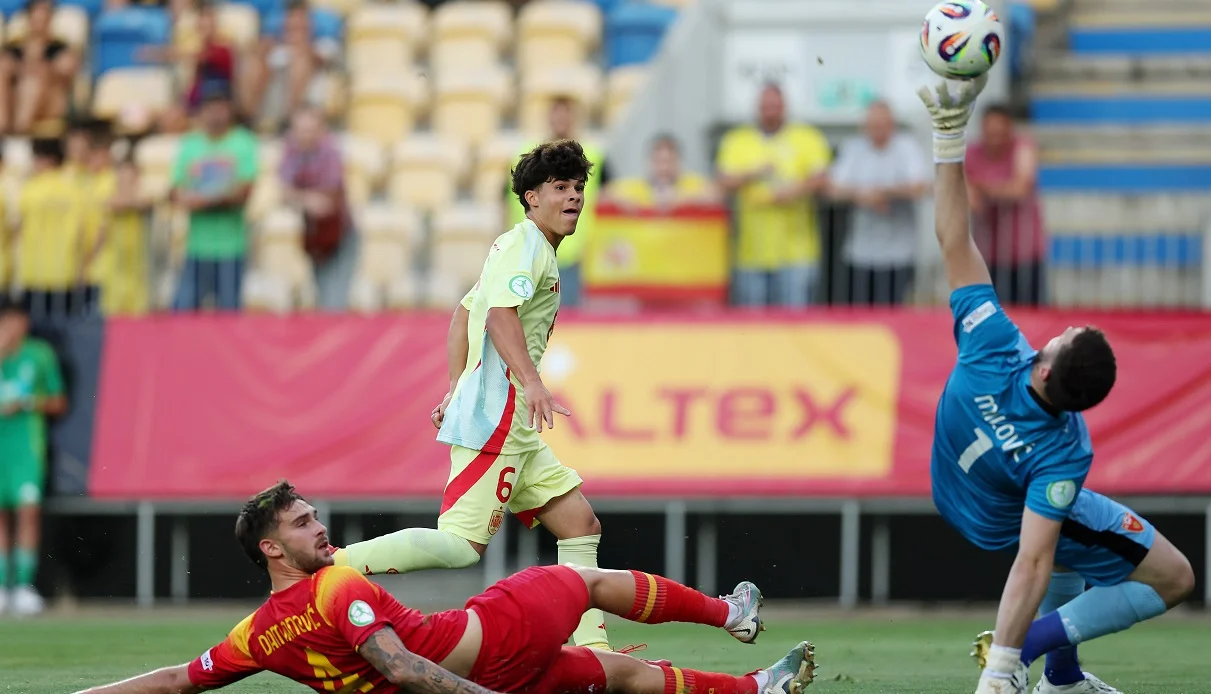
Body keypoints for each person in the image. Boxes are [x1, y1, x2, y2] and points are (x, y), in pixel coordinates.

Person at [916, 76, 1195, 694]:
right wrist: (1004, 661)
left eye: (1068, 336)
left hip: (955, 492)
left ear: (1046, 367)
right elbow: (1032, 557)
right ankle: (1027, 651)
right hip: (1003, 512)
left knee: (1064, 540)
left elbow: (954, 238)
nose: (1065, 327)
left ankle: (1061, 681)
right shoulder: (1066, 446)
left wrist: (947, 139)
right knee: (1175, 577)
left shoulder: (991, 342)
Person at [73, 481, 816, 694]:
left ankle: (757, 689)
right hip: (493, 640)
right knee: (581, 578)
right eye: (303, 524)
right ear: (272, 548)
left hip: (485, 671)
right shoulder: (335, 589)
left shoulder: (257, 635)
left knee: (616, 675)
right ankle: (729, 613)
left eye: (315, 516)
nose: (321, 529)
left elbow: (177, 680)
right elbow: (399, 665)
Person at [329, 140, 613, 651]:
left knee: (579, 524)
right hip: (500, 417)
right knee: (461, 546)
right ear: (531, 197)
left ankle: (594, 652)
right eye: (560, 187)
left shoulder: (517, 245)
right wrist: (530, 382)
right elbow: (499, 316)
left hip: (511, 422)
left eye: (578, 187)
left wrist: (456, 386)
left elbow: (464, 313)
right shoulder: (528, 247)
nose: (574, 197)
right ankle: (330, 567)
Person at [715, 83, 832, 308]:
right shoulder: (737, 140)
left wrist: (792, 191)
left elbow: (822, 178)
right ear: (757, 108)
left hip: (796, 253)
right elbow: (723, 180)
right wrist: (754, 173)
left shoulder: (807, 138)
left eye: (775, 106)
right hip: (751, 252)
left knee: (794, 322)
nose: (770, 111)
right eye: (765, 106)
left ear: (784, 107)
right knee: (754, 323)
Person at [827, 101, 930, 306]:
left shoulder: (907, 147)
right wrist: (862, 195)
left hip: (899, 253)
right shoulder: (853, 148)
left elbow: (920, 186)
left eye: (883, 124)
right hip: (861, 251)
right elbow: (833, 189)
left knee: (895, 311)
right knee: (861, 313)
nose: (878, 129)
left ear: (892, 124)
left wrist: (883, 194)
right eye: (873, 124)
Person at [0, 297, 66, 615]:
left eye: (17, 319)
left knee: (27, 513)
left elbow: (58, 401)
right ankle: (2, 586)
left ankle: (24, 586)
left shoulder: (39, 354)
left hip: (26, 447)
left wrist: (26, 403)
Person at [170, 80, 258, 311]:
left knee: (228, 317)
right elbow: (175, 191)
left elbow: (243, 192)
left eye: (220, 106)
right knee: (183, 314)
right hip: (196, 247)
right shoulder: (190, 144)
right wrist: (217, 195)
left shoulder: (243, 142)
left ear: (230, 109)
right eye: (210, 107)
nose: (215, 113)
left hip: (231, 248)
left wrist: (201, 199)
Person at [508, 97, 601, 307]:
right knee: (527, 313)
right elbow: (507, 200)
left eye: (565, 115)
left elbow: (608, 195)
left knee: (566, 315)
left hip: (572, 253)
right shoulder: (527, 158)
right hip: (530, 251)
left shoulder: (593, 156)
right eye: (557, 115)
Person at [965, 104, 1046, 306]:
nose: (995, 139)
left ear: (1010, 129)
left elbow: (1020, 188)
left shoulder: (1023, 148)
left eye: (1000, 133)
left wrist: (982, 188)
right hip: (987, 253)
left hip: (1024, 252)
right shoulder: (972, 152)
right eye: (990, 133)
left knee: (1030, 313)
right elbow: (970, 199)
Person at [278, 105, 352, 310]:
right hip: (314, 236)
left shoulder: (330, 153)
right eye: (301, 131)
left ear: (321, 130)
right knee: (321, 300)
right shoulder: (291, 152)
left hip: (339, 235)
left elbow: (327, 202)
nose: (306, 136)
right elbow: (283, 193)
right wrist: (306, 199)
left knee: (334, 302)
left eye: (310, 130)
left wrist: (298, 197)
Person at [14, 136, 86, 317]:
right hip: (65, 270)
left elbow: (18, 227)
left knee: (35, 325)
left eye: (36, 158)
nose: (34, 163)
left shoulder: (30, 189)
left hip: (34, 271)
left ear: (49, 160)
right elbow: (82, 231)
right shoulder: (73, 189)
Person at [82, 128, 151, 317]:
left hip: (137, 270)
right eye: (122, 175)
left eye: (130, 176)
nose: (125, 179)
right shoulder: (109, 192)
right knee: (113, 316)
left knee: (137, 318)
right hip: (114, 270)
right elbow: (110, 210)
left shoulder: (143, 195)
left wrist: (128, 201)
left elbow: (142, 203)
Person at [0, 0, 78, 135]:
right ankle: (3, 125)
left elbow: (67, 70)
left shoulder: (59, 49)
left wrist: (40, 67)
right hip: (15, 101)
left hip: (48, 102)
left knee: (32, 84)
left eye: (44, 18)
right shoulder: (15, 49)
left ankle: (18, 133)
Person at [605, 134, 716, 211]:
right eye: (658, 161)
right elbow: (603, 196)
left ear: (680, 161)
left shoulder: (694, 184)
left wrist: (681, 202)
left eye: (670, 161)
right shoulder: (633, 186)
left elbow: (716, 195)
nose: (664, 167)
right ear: (649, 161)